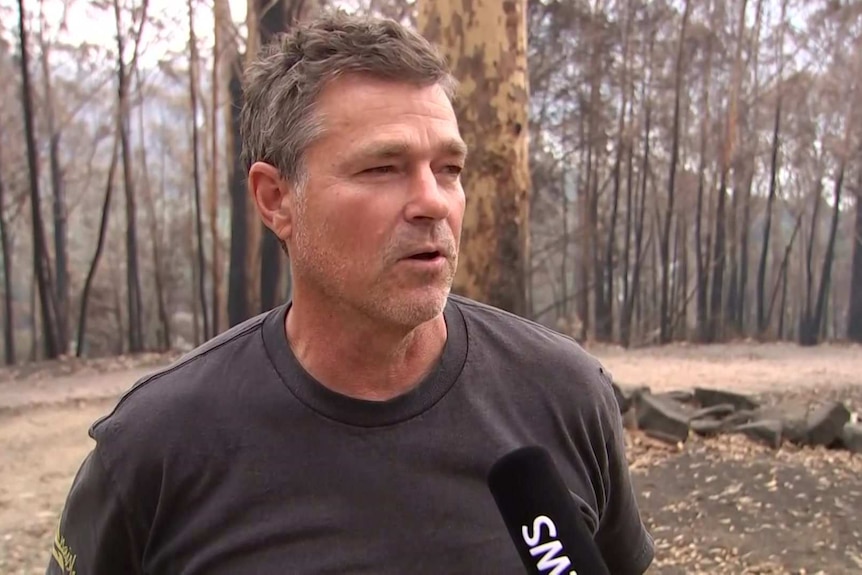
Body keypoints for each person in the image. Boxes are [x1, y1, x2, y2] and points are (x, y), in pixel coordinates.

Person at [47, 10, 654, 575]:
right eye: (382, 168)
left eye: (449, 169)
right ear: (275, 199)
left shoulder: (565, 396)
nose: (432, 202)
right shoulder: (154, 448)